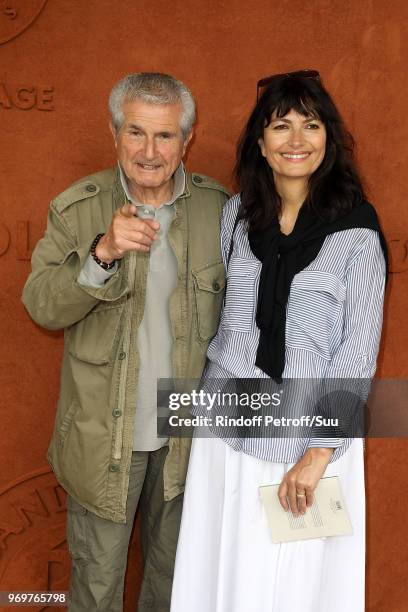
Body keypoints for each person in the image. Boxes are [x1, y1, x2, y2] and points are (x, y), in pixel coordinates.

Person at [170, 70, 387, 612]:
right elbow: (230, 322)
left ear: (328, 139)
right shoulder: (238, 217)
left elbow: (356, 356)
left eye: (310, 125)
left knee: (294, 585)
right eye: (280, 126)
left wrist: (316, 455)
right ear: (260, 144)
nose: (296, 140)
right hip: (228, 427)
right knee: (222, 567)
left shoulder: (357, 231)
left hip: (311, 435)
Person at [22, 72, 229, 612]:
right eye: (136, 133)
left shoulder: (220, 211)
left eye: (165, 136)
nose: (150, 152)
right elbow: (41, 305)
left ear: (188, 138)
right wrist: (102, 254)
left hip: (188, 440)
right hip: (101, 440)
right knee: (96, 588)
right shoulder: (76, 208)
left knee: (175, 583)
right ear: (114, 133)